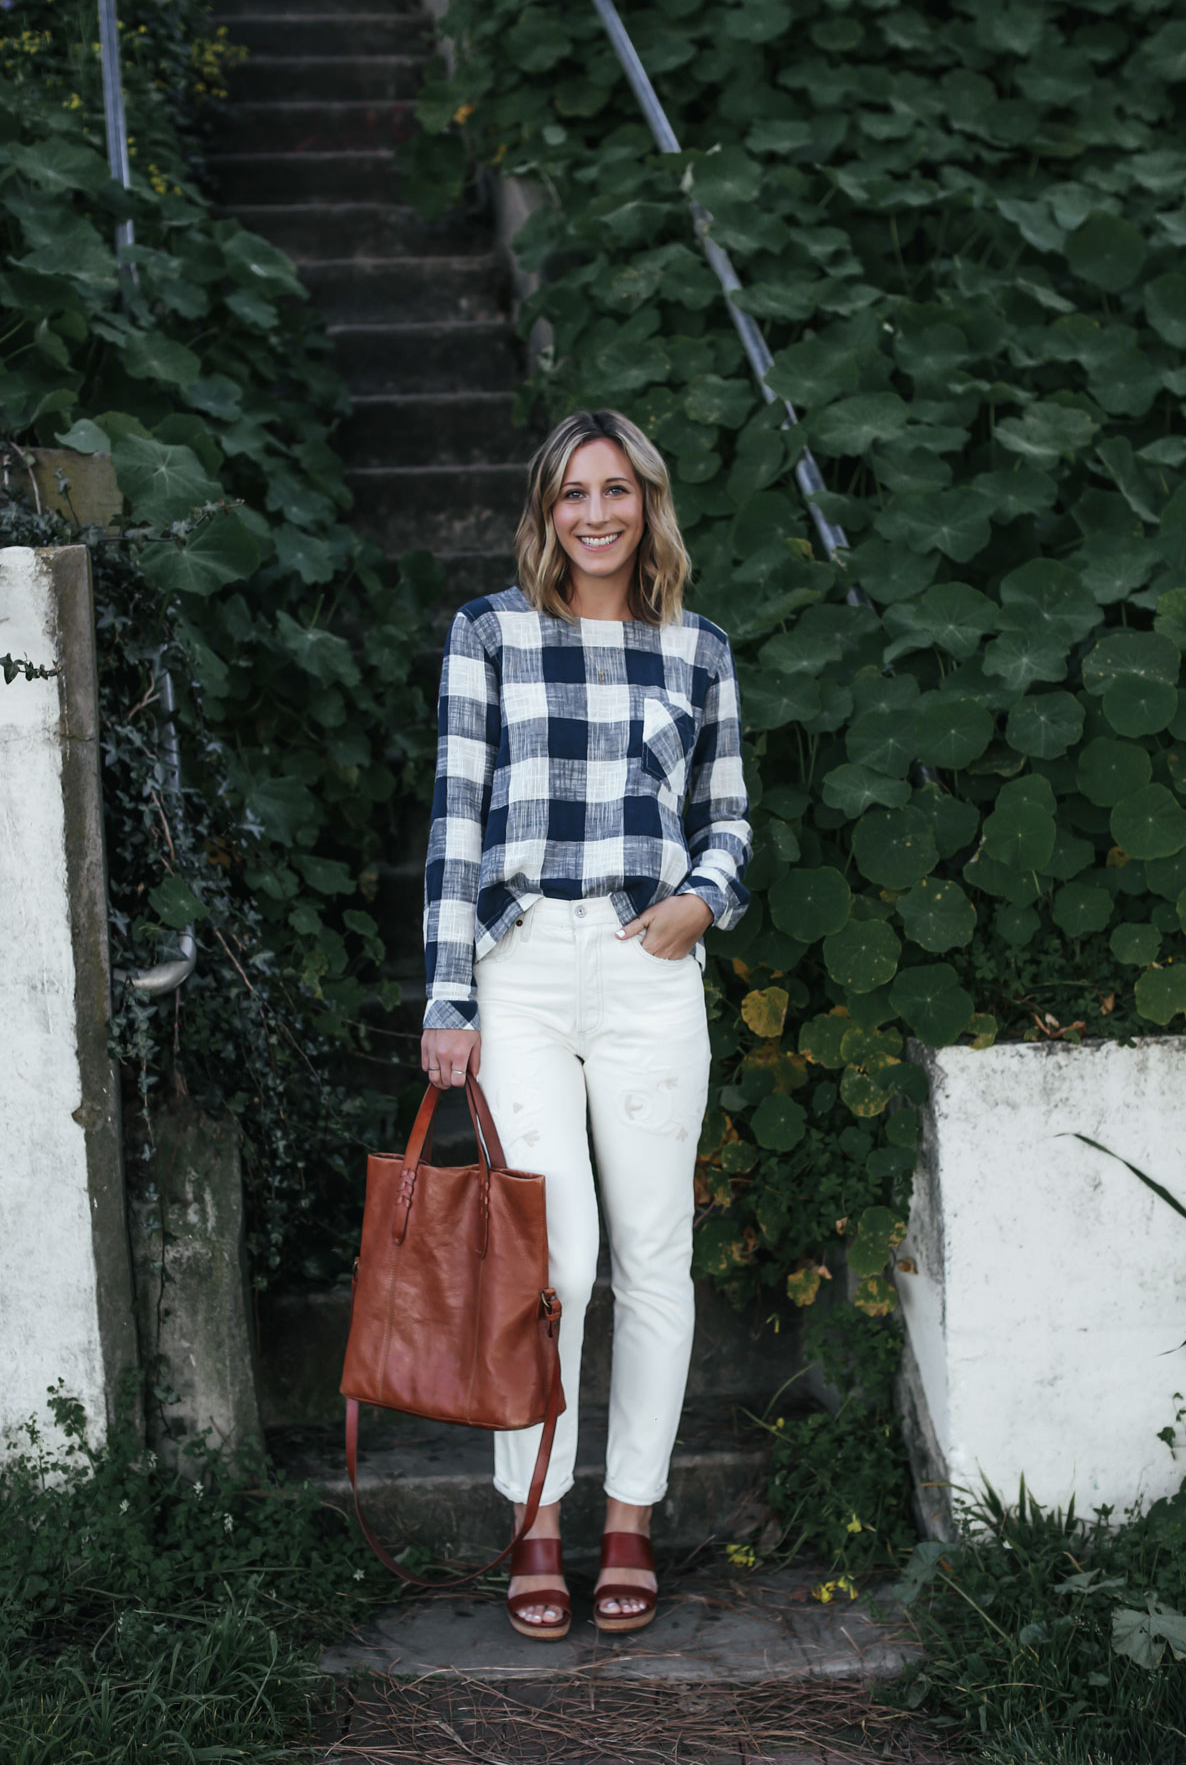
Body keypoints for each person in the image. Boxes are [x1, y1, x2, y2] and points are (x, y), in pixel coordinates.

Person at [419, 408, 752, 1641]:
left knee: (654, 1257)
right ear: (544, 510)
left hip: (645, 962)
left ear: (648, 504)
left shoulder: (698, 649)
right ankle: (532, 1520)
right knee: (549, 1261)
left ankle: (629, 1521)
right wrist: (447, 991)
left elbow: (728, 817)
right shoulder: (489, 635)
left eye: (617, 490)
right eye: (573, 493)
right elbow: (458, 819)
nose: (596, 514)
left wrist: (700, 903)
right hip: (521, 968)